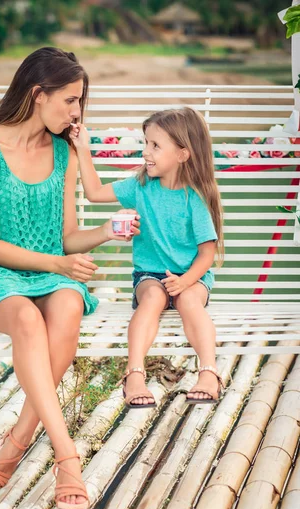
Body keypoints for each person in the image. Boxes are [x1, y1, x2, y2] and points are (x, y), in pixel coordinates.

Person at [0, 47, 139, 509]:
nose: (78, 112)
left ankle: (18, 440)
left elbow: (66, 238)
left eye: (81, 101)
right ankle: (66, 456)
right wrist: (58, 265)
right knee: (26, 319)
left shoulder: (64, 153)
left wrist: (106, 231)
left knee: (70, 303)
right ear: (39, 94)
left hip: (48, 275)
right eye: (71, 100)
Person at [69, 106, 224, 407]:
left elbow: (207, 254)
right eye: (146, 143)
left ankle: (208, 371)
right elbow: (94, 192)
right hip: (149, 275)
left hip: (192, 275)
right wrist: (82, 149)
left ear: (182, 154)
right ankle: (135, 374)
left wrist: (186, 281)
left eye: (155, 145)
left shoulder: (195, 198)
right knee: (152, 299)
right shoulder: (140, 186)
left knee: (190, 300)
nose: (146, 152)